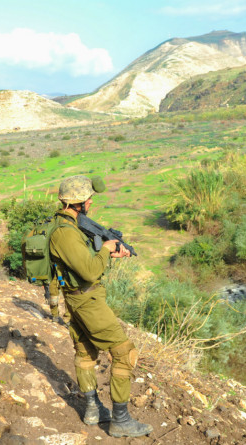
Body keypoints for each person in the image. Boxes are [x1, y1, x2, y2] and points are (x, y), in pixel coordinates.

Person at [50, 175, 153, 438]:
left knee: (85, 351)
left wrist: (109, 253)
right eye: (89, 199)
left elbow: (84, 261)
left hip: (78, 298)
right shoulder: (65, 233)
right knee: (123, 352)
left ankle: (93, 410)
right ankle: (120, 420)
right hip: (86, 300)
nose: (92, 202)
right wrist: (106, 250)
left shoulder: (68, 226)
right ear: (79, 203)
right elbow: (90, 271)